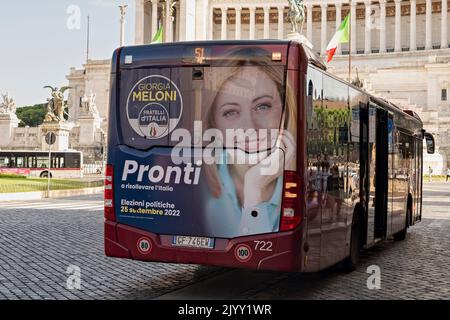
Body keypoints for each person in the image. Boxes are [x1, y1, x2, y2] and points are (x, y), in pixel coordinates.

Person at [201, 47, 297, 238]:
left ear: (284, 113)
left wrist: (254, 187)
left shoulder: (300, 186)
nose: (250, 127)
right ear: (214, 125)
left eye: (263, 107)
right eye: (231, 112)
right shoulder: (197, 186)